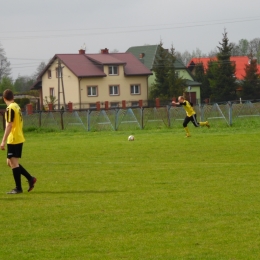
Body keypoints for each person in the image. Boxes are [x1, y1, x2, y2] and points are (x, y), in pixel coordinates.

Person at [0, 89, 36, 194]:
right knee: (10, 162)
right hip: (18, 137)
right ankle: (30, 178)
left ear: (4, 98)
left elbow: (9, 125)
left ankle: (18, 188)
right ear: (13, 97)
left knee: (14, 163)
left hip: (14, 138)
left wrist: (3, 141)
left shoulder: (10, 108)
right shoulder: (16, 106)